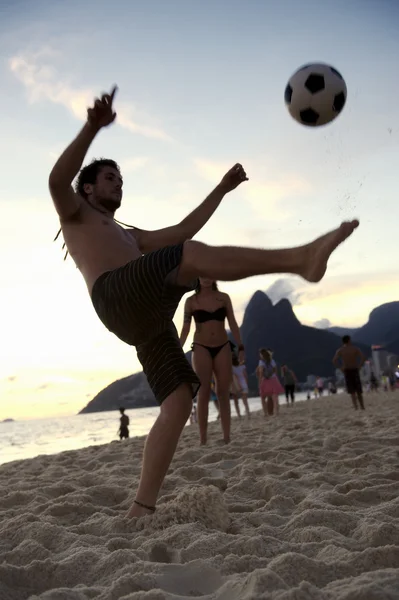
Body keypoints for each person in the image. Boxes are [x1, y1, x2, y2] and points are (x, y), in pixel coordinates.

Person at [49, 86, 359, 517]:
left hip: (144, 318)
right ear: (87, 188)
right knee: (190, 256)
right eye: (109, 178)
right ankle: (300, 259)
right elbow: (55, 179)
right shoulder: (76, 214)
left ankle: (141, 507)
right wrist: (92, 126)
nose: (118, 183)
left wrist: (222, 188)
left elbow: (181, 229)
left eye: (121, 179)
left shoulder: (130, 235)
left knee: (178, 400)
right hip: (115, 295)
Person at [179, 279, 244, 445]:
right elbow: (186, 328)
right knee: (204, 392)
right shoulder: (191, 301)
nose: (206, 277)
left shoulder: (223, 298)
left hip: (223, 346)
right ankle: (203, 439)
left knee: (223, 392)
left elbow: (233, 323)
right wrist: (177, 349)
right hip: (201, 347)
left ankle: (227, 437)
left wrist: (241, 346)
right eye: (201, 274)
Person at [333, 335, 366, 410]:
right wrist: (359, 366)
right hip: (355, 369)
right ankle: (362, 406)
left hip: (347, 370)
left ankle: (355, 407)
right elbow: (363, 358)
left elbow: (334, 361)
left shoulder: (340, 350)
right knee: (358, 390)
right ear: (349, 340)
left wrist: (340, 368)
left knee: (352, 391)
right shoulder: (355, 348)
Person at [257, 348, 284, 416]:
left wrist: (260, 382)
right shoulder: (272, 361)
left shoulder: (261, 362)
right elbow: (275, 371)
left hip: (265, 380)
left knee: (263, 397)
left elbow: (261, 373)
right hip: (273, 379)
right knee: (275, 397)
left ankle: (265, 413)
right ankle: (276, 412)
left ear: (261, 355)